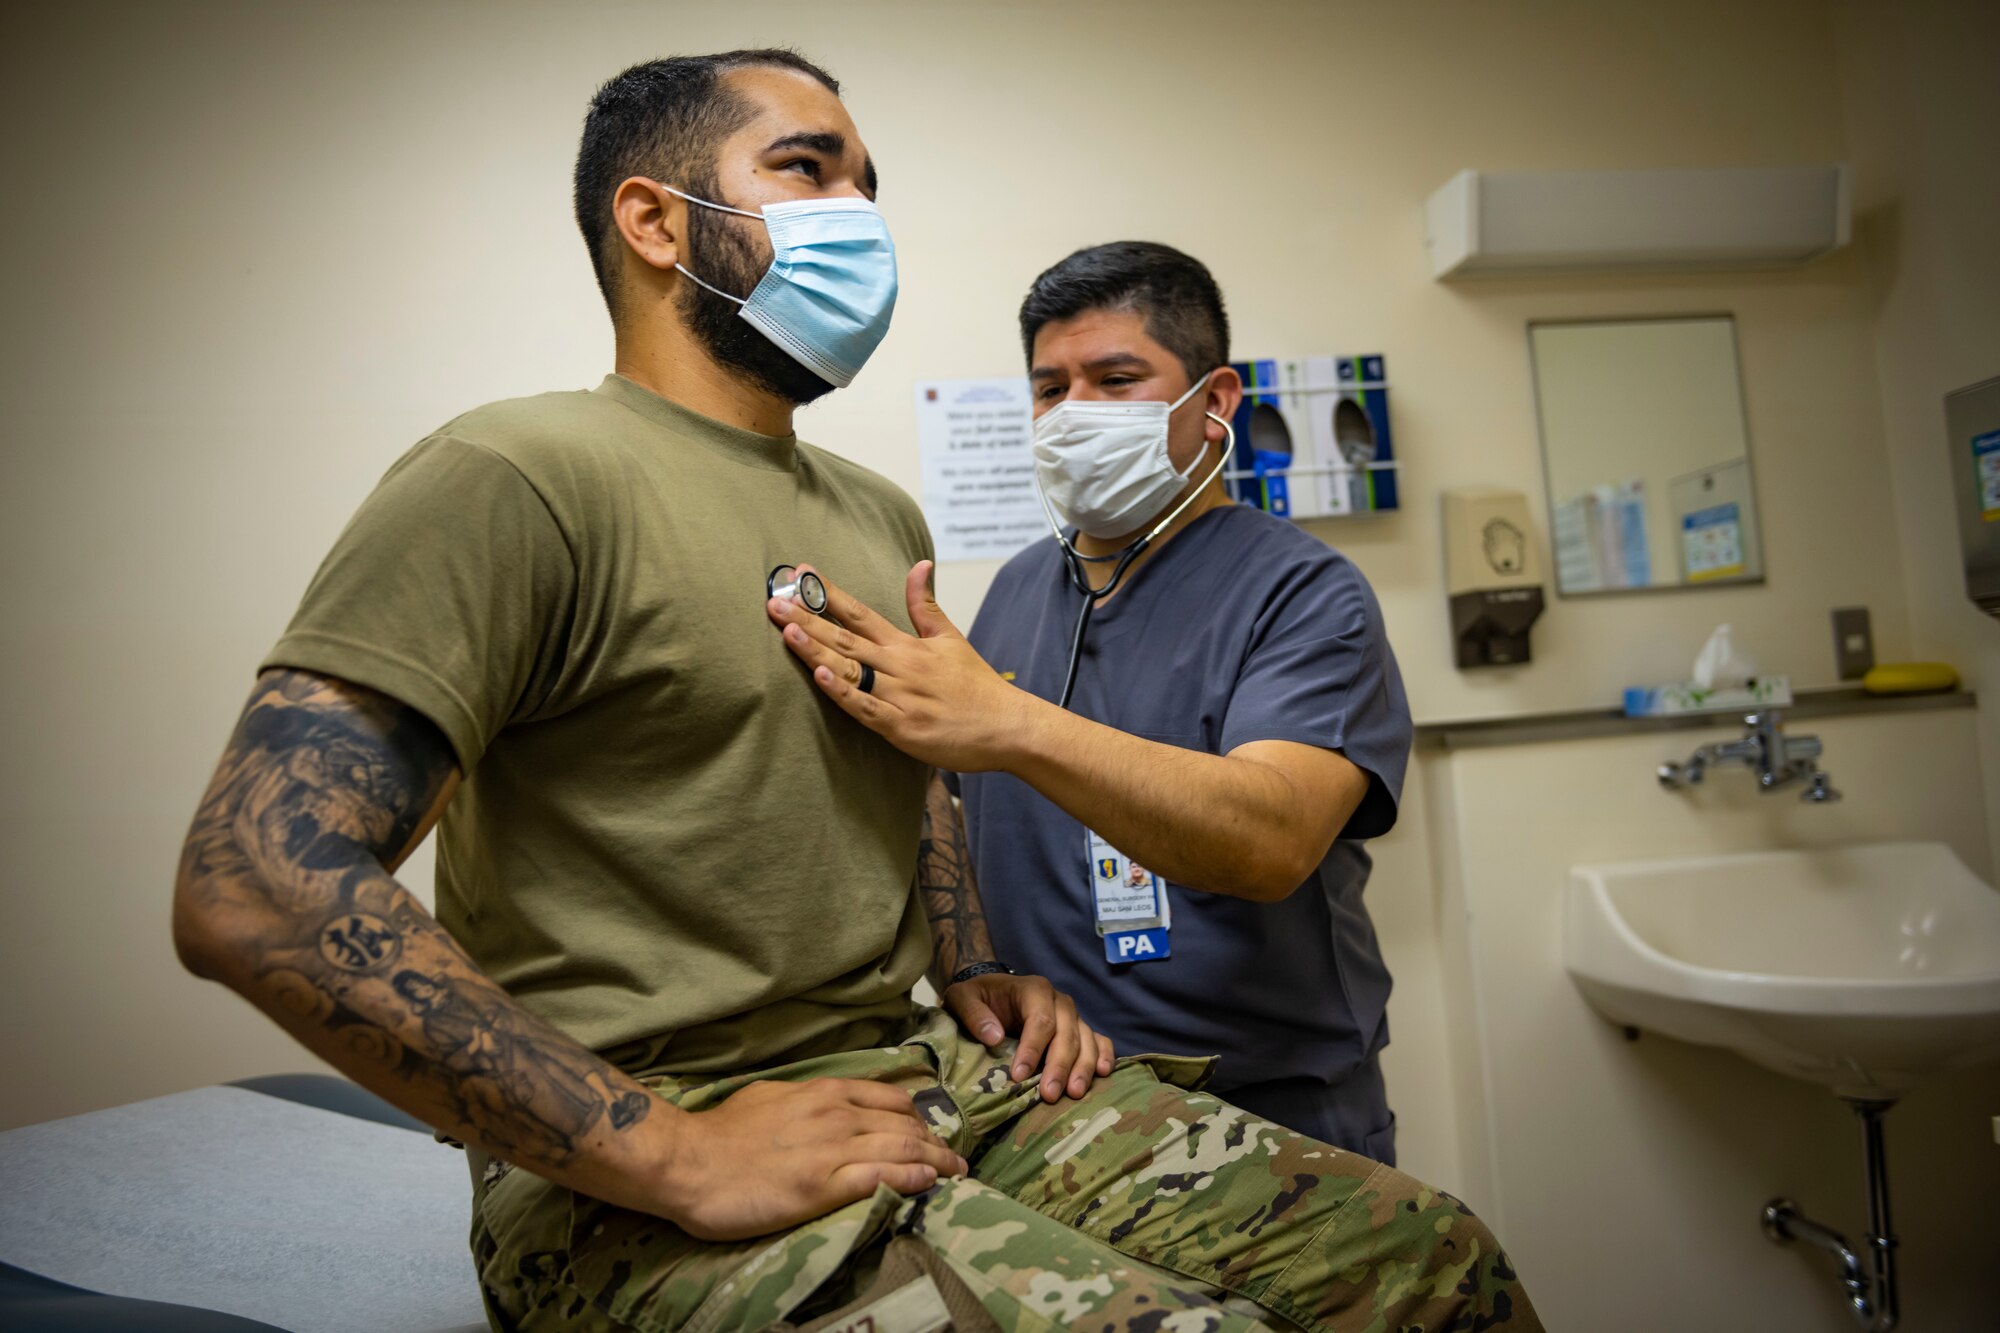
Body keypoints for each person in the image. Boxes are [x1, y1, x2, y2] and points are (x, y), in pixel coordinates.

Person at [174, 51, 1535, 1333]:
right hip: (644, 1143)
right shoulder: (519, 474)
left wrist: (974, 965)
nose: (860, 218)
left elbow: (910, 779)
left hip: (927, 1078)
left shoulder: (874, 514)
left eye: (869, 186)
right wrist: (668, 1150)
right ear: (653, 219)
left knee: (1434, 1265)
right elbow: (256, 884)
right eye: (811, 171)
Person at [768, 242, 1410, 1159]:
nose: (1074, 413)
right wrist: (978, 966)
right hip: (1053, 1092)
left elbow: (1271, 841)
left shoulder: (1305, 593)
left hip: (1264, 1099)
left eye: (1115, 379)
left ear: (1215, 401)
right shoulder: (1023, 586)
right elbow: (944, 804)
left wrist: (1009, 721)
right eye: (1050, 388)